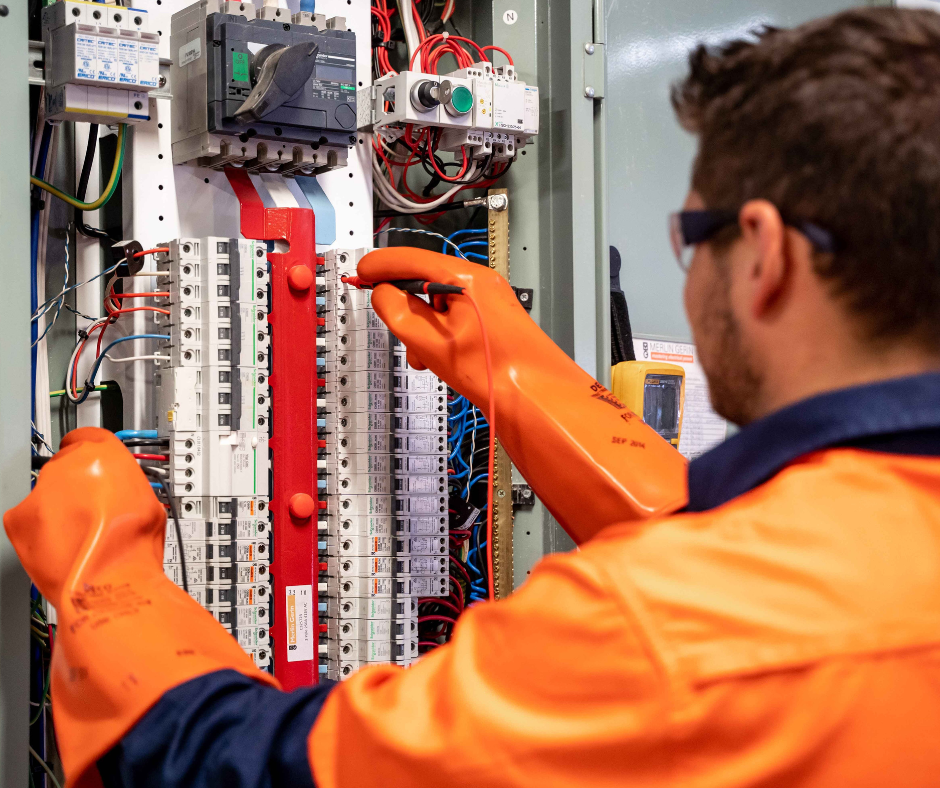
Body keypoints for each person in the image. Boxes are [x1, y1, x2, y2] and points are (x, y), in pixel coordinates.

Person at [9, 7, 940, 787]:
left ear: (766, 255)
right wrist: (529, 384)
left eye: (691, 236)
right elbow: (779, 546)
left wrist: (110, 583)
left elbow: (247, 768)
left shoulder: (659, 636)